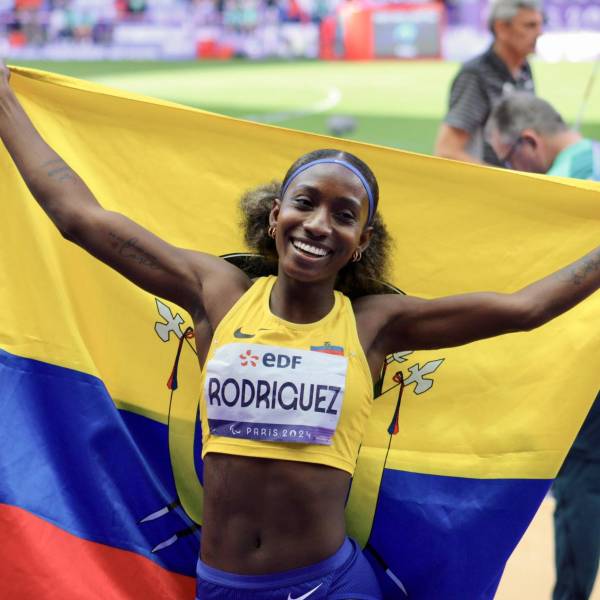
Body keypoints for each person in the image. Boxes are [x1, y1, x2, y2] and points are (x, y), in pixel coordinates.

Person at [2, 63, 600, 600]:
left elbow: (526, 308)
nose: (318, 224)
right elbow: (80, 218)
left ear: (362, 241)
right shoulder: (218, 295)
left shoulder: (374, 326)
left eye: (344, 215)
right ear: (275, 215)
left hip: (327, 586)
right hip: (222, 586)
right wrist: (6, 105)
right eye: (305, 203)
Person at [486, 92, 600, 600]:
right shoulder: (590, 157)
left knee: (581, 476)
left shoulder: (564, 186)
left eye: (507, 159)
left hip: (590, 357)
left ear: (528, 141)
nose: (512, 170)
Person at [434, 0, 543, 166]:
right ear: (501, 28)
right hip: (488, 181)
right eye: (530, 25)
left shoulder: (523, 69)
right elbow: (447, 151)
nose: (539, 33)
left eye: (540, 24)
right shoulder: (476, 76)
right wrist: (501, 178)